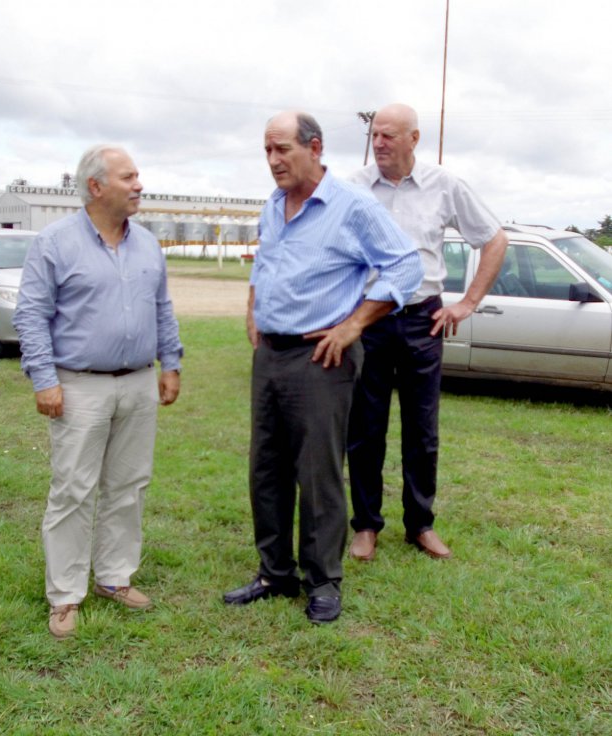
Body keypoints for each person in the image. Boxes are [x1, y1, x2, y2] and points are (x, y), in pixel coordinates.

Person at [223, 111, 422, 624]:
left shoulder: (352, 206)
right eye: (267, 151)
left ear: (315, 148)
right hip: (271, 354)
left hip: (321, 357)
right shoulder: (273, 205)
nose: (273, 161)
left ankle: (323, 581)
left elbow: (405, 264)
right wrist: (253, 310)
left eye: (282, 149)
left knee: (317, 472)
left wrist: (354, 325)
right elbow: (266, 262)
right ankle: (275, 572)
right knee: (266, 468)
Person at [13, 144, 183, 640]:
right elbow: (31, 315)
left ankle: (114, 576)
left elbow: (162, 307)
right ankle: (65, 594)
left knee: (129, 485)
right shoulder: (55, 242)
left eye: (138, 175)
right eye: (128, 177)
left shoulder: (147, 244)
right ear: (96, 185)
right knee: (73, 489)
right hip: (78, 385)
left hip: (138, 382)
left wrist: (171, 363)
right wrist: (44, 379)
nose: (139, 185)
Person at [347, 103, 507, 562]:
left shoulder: (444, 185)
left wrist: (467, 302)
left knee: (421, 429)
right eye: (375, 135)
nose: (379, 143)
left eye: (389, 135)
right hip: (369, 319)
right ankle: (366, 526)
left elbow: (494, 238)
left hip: (424, 319)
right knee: (365, 427)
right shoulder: (353, 187)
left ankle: (420, 525)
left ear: (414, 139)